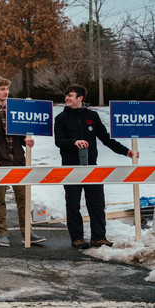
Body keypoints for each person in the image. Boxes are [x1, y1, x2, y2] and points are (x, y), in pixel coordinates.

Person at [55, 84, 138, 249]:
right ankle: (77, 238)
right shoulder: (61, 118)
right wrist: (74, 142)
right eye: (66, 95)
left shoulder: (92, 116)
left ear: (80, 98)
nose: (66, 98)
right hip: (70, 168)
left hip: (91, 167)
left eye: (70, 95)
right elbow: (59, 142)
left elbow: (106, 139)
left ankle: (98, 237)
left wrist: (125, 151)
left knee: (97, 203)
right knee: (73, 204)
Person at [0, 76, 46, 247]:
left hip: (17, 159)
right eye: (2, 89)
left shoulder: (16, 109)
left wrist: (27, 139)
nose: (5, 92)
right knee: (0, 199)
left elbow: (24, 130)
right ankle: (2, 233)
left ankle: (27, 233)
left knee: (23, 198)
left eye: (7, 88)